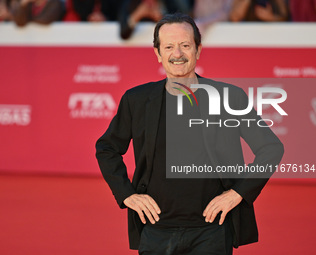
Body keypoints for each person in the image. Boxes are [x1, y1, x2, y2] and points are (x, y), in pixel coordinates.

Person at [96, 13, 284, 254]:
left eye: (185, 45)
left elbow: (271, 148)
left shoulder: (229, 98)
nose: (177, 54)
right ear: (158, 53)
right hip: (155, 230)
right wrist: (127, 195)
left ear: (198, 50)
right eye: (169, 47)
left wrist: (238, 193)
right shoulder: (136, 100)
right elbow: (107, 149)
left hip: (213, 232)